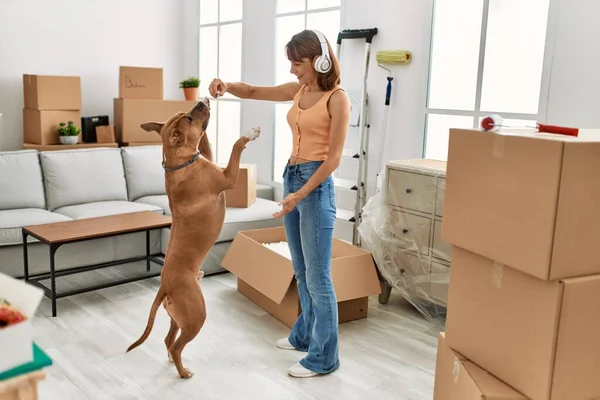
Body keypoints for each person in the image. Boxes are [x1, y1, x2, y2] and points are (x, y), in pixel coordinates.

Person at [209, 29, 350, 378]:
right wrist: (226, 85)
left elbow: (333, 160)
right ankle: (304, 336)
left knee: (319, 278)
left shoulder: (337, 98)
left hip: (315, 188)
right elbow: (256, 91)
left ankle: (324, 358)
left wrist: (301, 194)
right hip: (293, 176)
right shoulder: (300, 90)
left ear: (319, 60)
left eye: (297, 63)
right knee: (300, 271)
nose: (292, 70)